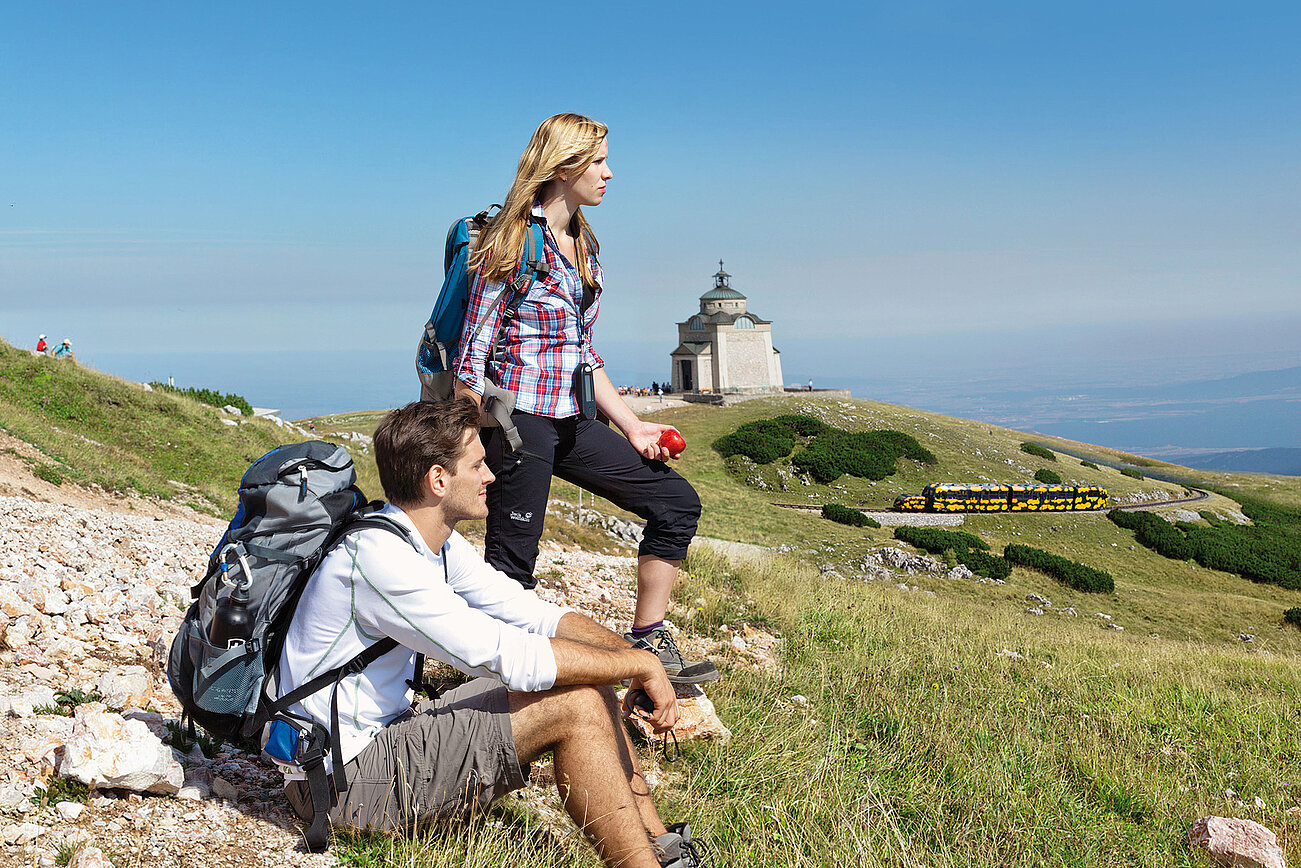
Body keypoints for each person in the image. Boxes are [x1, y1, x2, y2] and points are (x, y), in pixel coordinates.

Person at [273, 399, 711, 868]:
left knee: (585, 672)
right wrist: (640, 664)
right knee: (574, 700)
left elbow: (528, 613)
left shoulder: (426, 539)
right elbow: (505, 655)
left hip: (378, 739)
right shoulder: (381, 560)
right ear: (438, 480)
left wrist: (629, 655)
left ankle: (660, 846)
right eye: (478, 465)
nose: (491, 476)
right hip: (342, 782)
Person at [452, 113, 716, 684]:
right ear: (564, 165)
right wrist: (469, 440)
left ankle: (650, 640)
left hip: (571, 417)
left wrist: (633, 426)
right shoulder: (514, 240)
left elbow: (582, 354)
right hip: (516, 421)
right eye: (598, 160)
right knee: (511, 564)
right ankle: (494, 682)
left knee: (675, 503)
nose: (609, 172)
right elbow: (471, 356)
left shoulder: (585, 246)